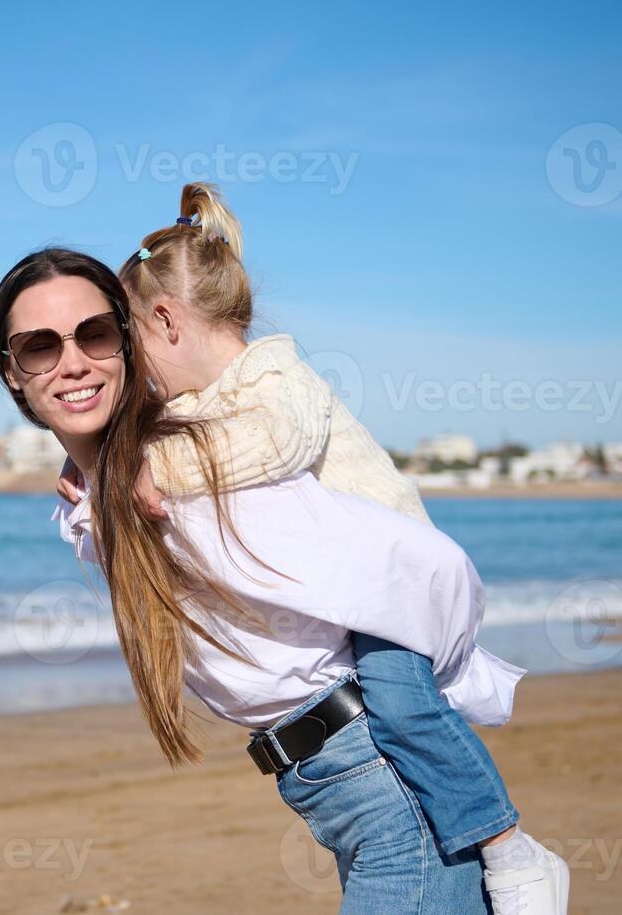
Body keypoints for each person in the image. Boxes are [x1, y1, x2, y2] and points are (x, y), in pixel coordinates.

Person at [56, 182, 567, 913]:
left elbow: (265, 447)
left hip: (392, 595)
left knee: (405, 708)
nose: (136, 373)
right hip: (350, 636)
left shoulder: (276, 379)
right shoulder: (199, 405)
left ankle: (511, 849)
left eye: (131, 345)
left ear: (164, 320)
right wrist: (102, 466)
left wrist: (140, 469)